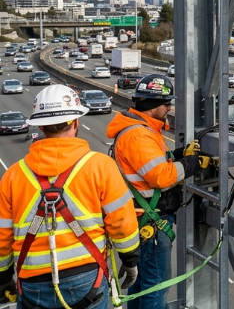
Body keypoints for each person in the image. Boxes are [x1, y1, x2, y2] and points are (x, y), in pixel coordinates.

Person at [0, 84, 140, 309]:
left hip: (32, 283)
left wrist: (3, 277)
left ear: (41, 127)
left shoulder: (13, 176)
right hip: (86, 279)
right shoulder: (101, 166)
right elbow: (122, 222)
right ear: (76, 122)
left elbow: (2, 236)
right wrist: (130, 259)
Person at [107, 74, 206, 309]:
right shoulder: (138, 134)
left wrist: (180, 154)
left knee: (142, 283)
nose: (169, 108)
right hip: (151, 221)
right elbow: (161, 176)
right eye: (166, 104)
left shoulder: (140, 128)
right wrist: (192, 163)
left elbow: (151, 164)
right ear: (153, 106)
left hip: (142, 219)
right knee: (156, 286)